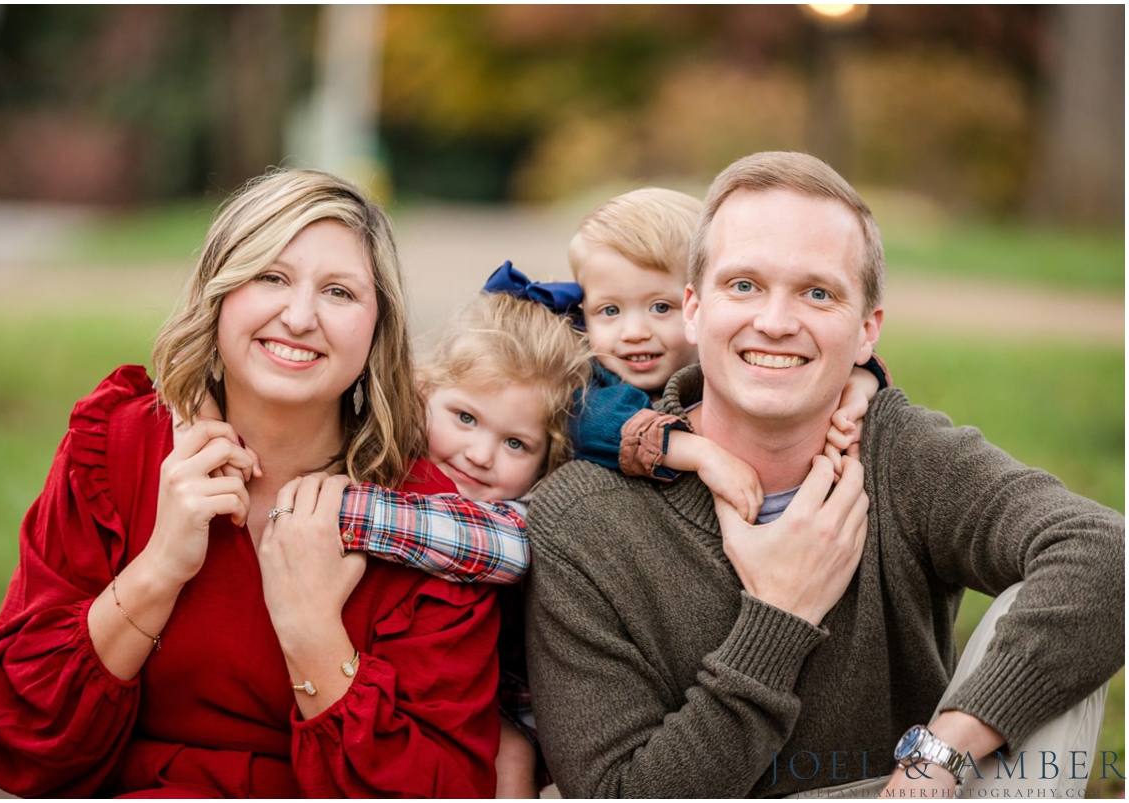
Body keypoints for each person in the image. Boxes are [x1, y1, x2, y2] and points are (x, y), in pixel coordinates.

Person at [523, 152, 1125, 797]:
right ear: (694, 309)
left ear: (866, 331)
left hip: (911, 790)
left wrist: (938, 758)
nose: (776, 323)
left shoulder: (898, 454)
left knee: (1053, 633)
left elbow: (1107, 553)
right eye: (744, 285)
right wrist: (780, 616)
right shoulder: (581, 519)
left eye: (818, 293)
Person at [0, 169, 530, 797]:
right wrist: (158, 571)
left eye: (339, 292)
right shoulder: (115, 450)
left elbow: (444, 788)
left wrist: (311, 629)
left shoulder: (425, 525)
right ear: (219, 293)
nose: (300, 317)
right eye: (270, 277)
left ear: (377, 331)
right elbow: (20, 735)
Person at [567, 187, 890, 521]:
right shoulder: (589, 384)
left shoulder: (726, 354)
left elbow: (834, 348)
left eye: (661, 307)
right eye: (609, 311)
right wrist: (701, 454)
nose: (634, 332)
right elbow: (590, 423)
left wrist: (859, 383)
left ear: (699, 307)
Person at [415, 287, 591, 797]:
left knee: (511, 752)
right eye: (465, 418)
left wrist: (342, 513)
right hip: (405, 686)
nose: (479, 454)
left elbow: (489, 545)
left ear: (546, 461)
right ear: (423, 392)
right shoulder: (392, 461)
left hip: (503, 702)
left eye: (515, 443)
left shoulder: (521, 513)